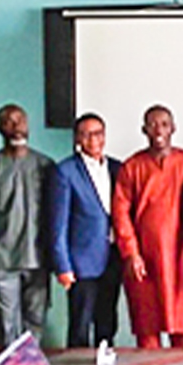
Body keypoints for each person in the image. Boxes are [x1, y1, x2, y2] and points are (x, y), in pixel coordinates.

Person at [112, 105, 183, 349]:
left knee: (182, 324)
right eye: (152, 124)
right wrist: (131, 253)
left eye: (163, 124)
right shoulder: (132, 166)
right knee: (146, 323)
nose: (158, 129)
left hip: (180, 255)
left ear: (173, 128)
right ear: (144, 130)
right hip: (145, 257)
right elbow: (121, 213)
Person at [0, 104, 54, 345]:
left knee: (36, 321)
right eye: (9, 121)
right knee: (7, 325)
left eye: (21, 120)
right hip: (2, 260)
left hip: (38, 258)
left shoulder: (46, 166)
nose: (16, 126)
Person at [50, 113, 123, 348]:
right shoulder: (66, 171)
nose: (93, 139)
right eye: (86, 134)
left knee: (107, 321)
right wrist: (63, 265)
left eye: (98, 133)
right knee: (80, 324)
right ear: (77, 138)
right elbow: (58, 222)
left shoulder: (117, 168)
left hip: (112, 257)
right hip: (81, 262)